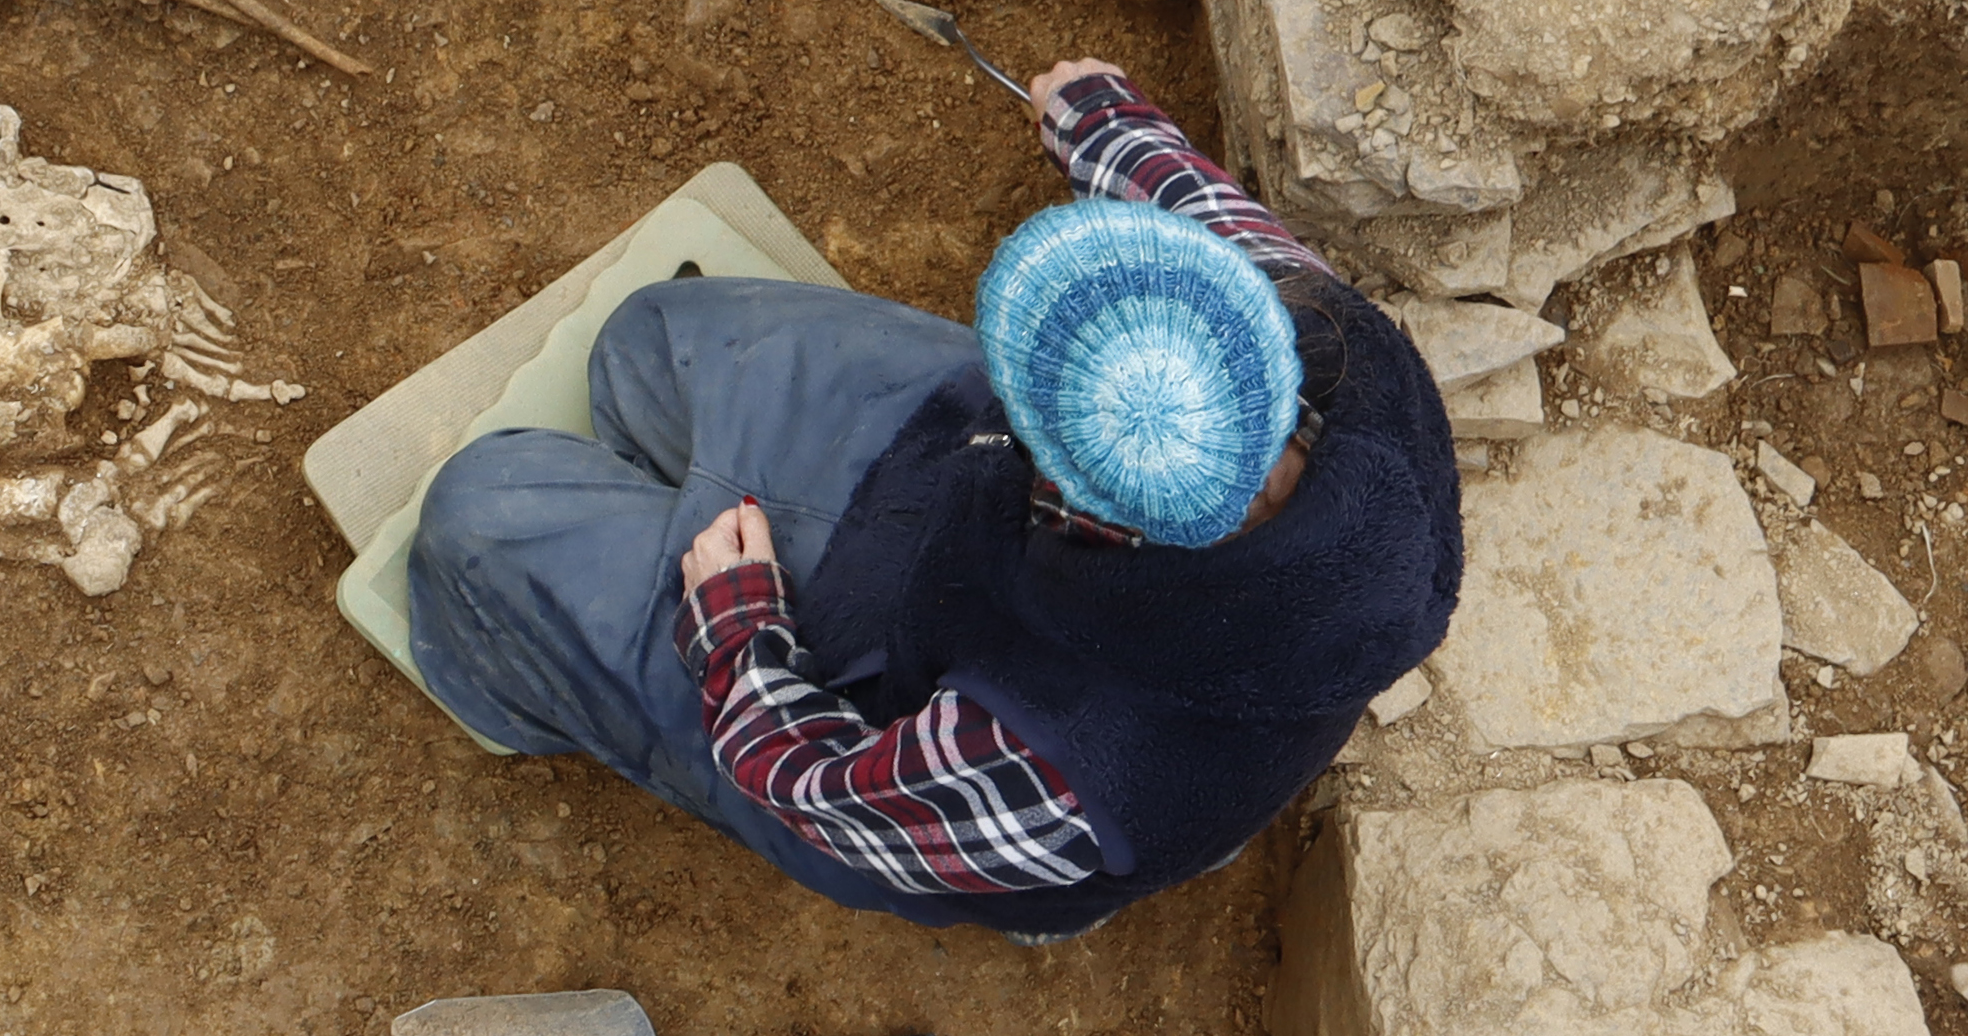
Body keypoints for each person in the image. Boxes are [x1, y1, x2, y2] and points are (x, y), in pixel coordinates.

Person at [403, 58, 1460, 939]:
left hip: (895, 713)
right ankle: (639, 522)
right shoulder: (1324, 348)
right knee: (645, 342)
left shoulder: (1066, 766)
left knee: (475, 513)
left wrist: (735, 633)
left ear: (1053, 466)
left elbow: (820, 793)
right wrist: (1101, 121)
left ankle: (513, 681)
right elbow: (1211, 227)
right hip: (942, 489)